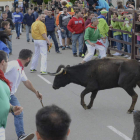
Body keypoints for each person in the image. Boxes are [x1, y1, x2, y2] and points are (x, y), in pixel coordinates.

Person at [5, 49, 42, 140]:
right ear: (28, 59)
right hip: (2, 93)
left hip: (10, 95)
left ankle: (21, 136)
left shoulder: (20, 68)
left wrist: (36, 92)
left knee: (19, 112)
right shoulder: (13, 64)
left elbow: (26, 82)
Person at [0, 50, 23, 140]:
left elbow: (4, 102)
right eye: (7, 61)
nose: (7, 64)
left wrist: (12, 108)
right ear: (2, 62)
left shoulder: (3, 82)